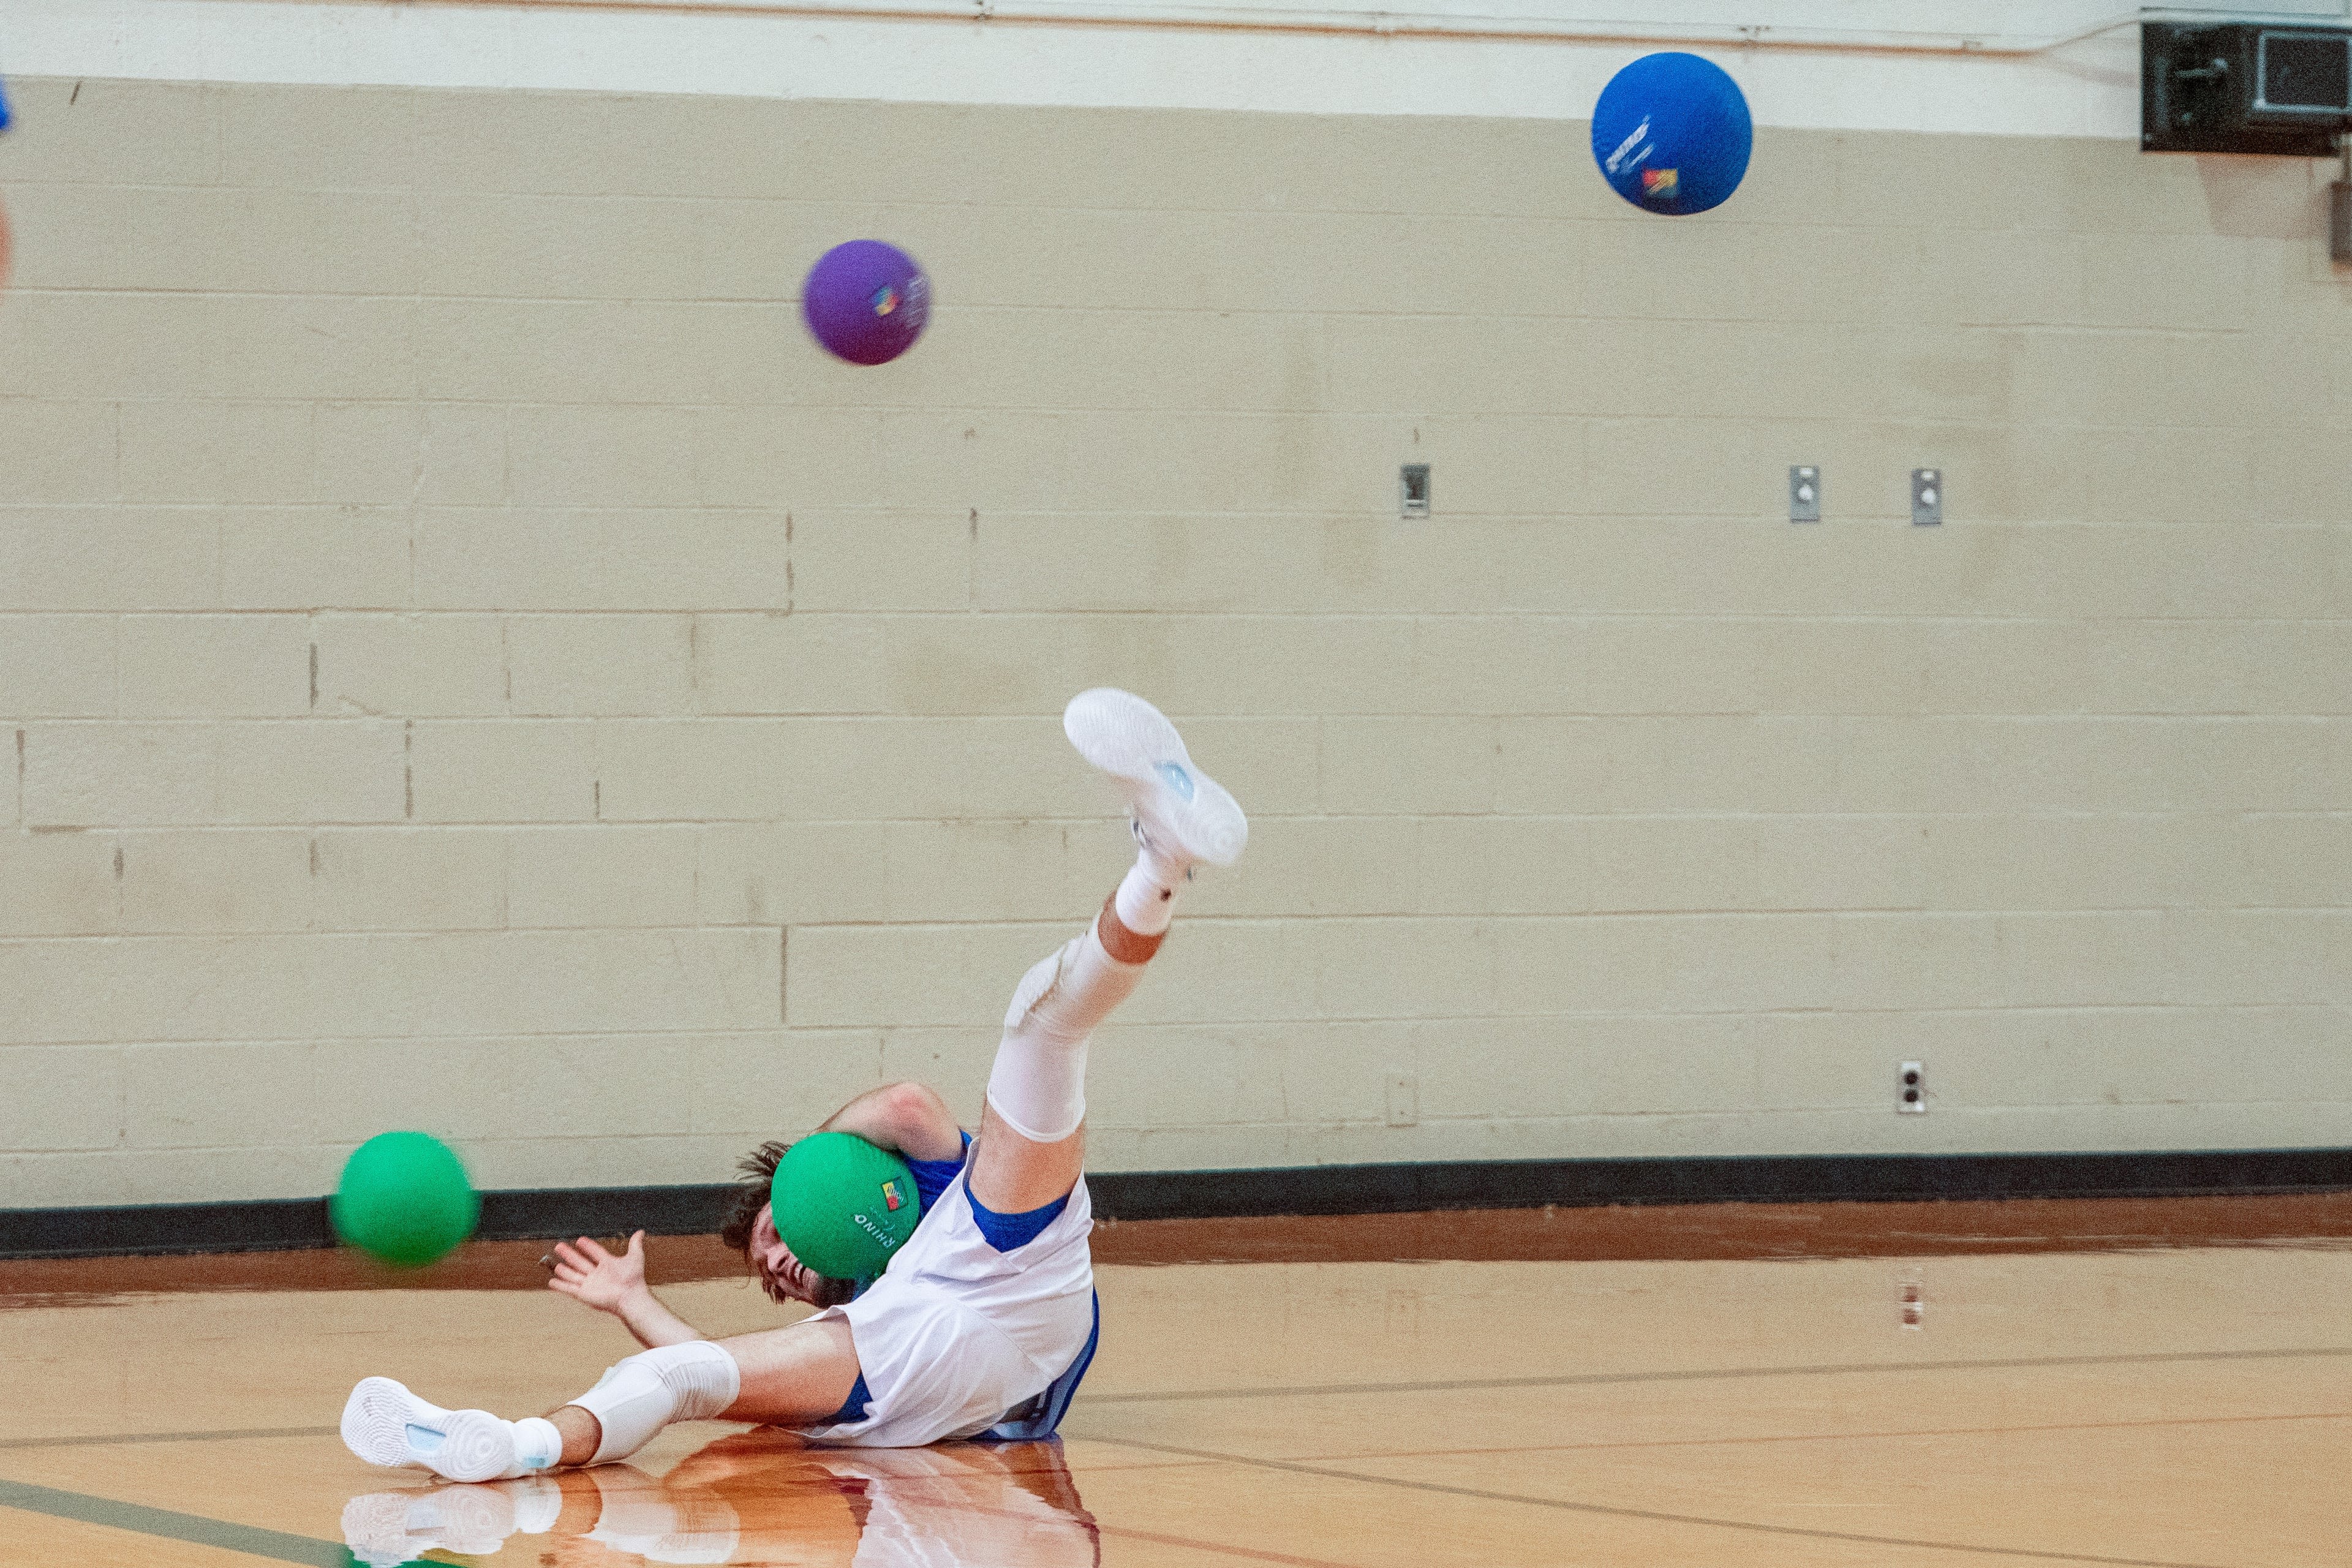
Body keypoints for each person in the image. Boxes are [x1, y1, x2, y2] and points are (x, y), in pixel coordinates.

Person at [341, 688, 1245, 1476]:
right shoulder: (856, 1316)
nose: (777, 1263)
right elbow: (717, 1374)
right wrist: (630, 1300)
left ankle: (1161, 858)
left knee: (1042, 1024)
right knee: (679, 1380)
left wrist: (808, 1172)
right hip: (936, 1358)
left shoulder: (927, 1188)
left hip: (1006, 1268)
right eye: (774, 1276)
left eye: (773, 1235)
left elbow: (904, 1108)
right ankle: (507, 1445)